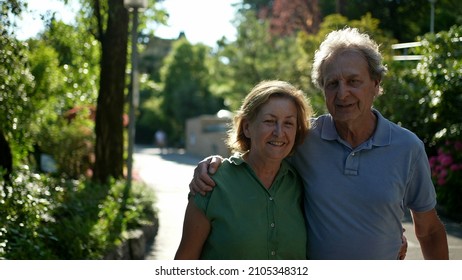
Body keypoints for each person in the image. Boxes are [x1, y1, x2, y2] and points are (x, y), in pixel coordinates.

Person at [189, 27, 449, 260]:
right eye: (332, 84)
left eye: (353, 81)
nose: (342, 93)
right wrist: (213, 165)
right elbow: (259, 153)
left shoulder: (407, 147)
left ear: (376, 84)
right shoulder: (303, 137)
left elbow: (429, 230)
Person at [175, 80, 313, 259]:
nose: (279, 132)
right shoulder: (211, 183)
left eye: (288, 123)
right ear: (247, 127)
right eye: (270, 121)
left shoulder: (300, 183)